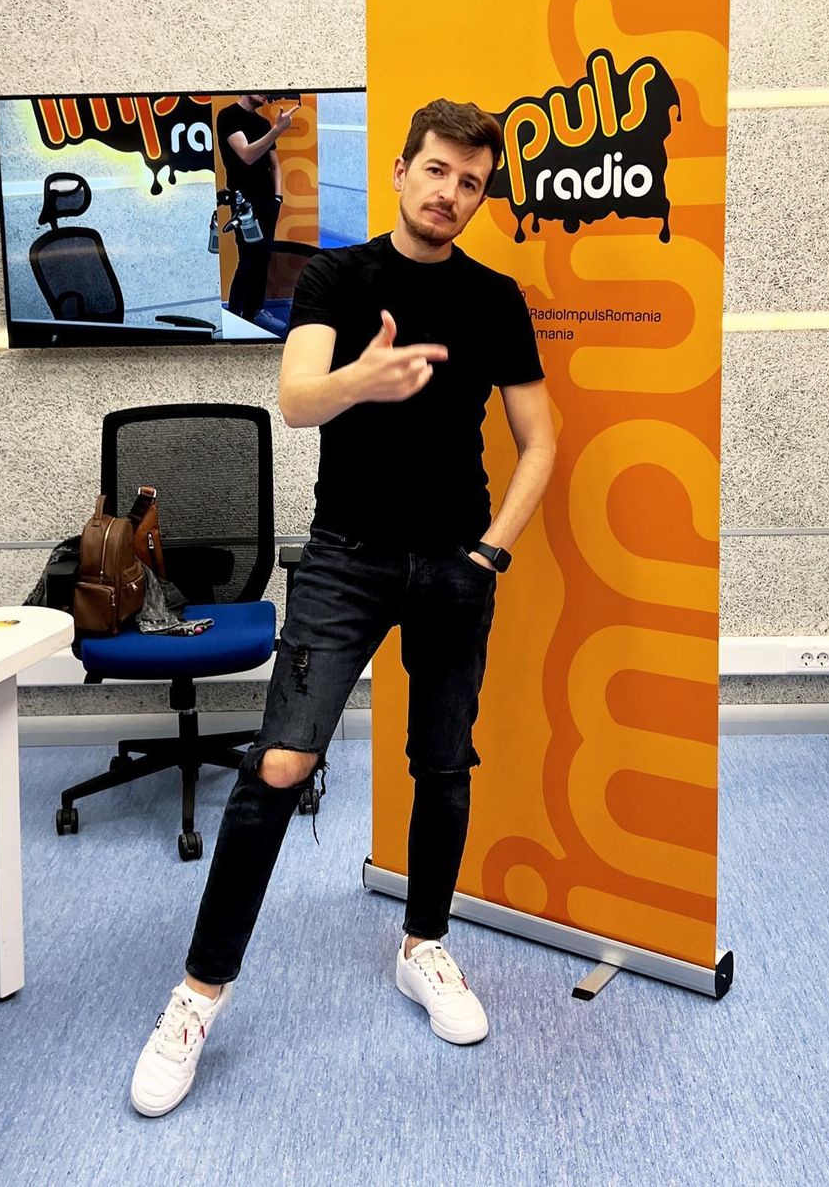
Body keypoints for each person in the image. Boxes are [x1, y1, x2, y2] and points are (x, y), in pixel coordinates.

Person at [130, 98, 556, 1118]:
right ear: (403, 170)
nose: (450, 193)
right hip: (345, 559)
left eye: (470, 182)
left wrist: (492, 552)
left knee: (444, 765)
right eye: (436, 171)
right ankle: (198, 994)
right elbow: (295, 400)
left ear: (480, 196)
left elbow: (541, 440)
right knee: (280, 763)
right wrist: (361, 379)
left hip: (454, 563)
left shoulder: (495, 298)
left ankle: (424, 947)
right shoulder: (336, 276)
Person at [216, 94, 300, 322]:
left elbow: (275, 165)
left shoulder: (263, 123)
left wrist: (278, 198)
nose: (265, 94)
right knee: (248, 258)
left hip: (268, 200)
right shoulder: (228, 115)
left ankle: (255, 311)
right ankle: (236, 316)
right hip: (244, 202)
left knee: (263, 257)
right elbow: (247, 154)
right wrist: (277, 130)